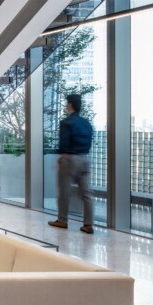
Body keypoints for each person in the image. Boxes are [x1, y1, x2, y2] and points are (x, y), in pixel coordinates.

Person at [49, 94, 95, 234]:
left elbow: (64, 143)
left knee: (64, 192)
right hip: (84, 158)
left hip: (70, 160)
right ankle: (88, 224)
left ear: (70, 105)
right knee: (86, 194)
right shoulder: (87, 123)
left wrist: (61, 159)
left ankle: (62, 220)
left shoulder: (66, 123)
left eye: (67, 103)